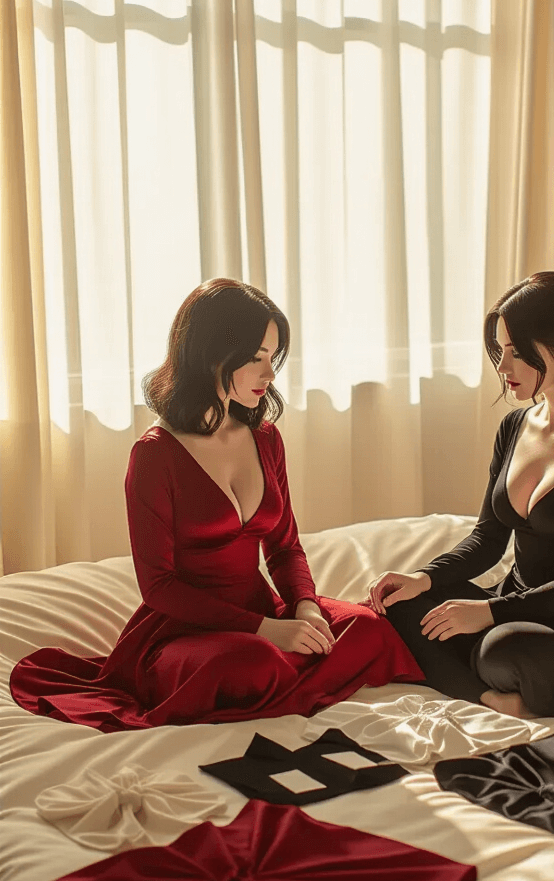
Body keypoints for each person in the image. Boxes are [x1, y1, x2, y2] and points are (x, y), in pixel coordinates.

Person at [9, 279, 424, 732]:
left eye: (272, 357)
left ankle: (283, 680)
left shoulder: (265, 438)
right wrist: (265, 630)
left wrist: (304, 607)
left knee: (366, 626)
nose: (269, 375)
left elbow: (284, 548)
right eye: (255, 358)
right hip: (184, 632)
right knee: (251, 662)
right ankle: (288, 680)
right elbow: (160, 587)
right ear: (209, 354)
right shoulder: (154, 455)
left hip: (264, 614)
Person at [367, 271, 554, 720]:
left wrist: (489, 611)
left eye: (518, 353)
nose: (503, 368)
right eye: (500, 351)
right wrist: (422, 579)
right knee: (403, 604)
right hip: (518, 605)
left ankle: (482, 676)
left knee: (498, 650)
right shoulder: (515, 426)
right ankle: (490, 700)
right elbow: (487, 540)